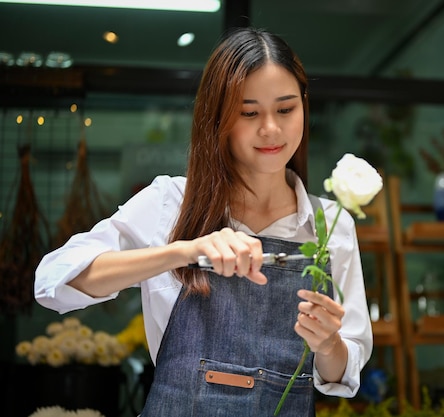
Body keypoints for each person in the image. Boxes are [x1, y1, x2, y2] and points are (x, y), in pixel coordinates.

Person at [35, 26, 373, 416]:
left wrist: (329, 345)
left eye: (285, 108)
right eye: (249, 112)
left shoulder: (331, 225)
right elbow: (53, 281)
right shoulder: (172, 202)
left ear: (304, 105)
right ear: (219, 118)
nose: (271, 129)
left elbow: (343, 372)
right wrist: (182, 251)